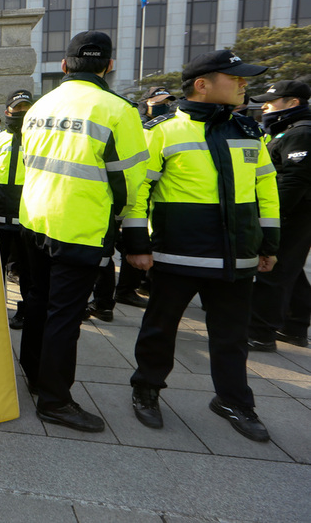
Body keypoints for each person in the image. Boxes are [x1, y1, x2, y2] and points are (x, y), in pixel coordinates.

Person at [124, 50, 278, 442]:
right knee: (160, 327)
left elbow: (266, 190)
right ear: (201, 84)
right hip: (178, 251)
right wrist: (138, 243)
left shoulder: (248, 131)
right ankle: (146, 389)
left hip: (238, 252)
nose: (244, 84)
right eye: (236, 78)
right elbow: (139, 191)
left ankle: (234, 400)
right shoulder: (163, 130)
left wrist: (269, 243)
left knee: (231, 335)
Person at [19, 30, 148, 433]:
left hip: (33, 219)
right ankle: (55, 401)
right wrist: (134, 237)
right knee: (64, 315)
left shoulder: (39, 106)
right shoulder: (118, 110)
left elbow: (27, 162)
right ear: (109, 65)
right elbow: (129, 183)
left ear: (64, 65)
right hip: (80, 226)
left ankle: (35, 375)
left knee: (38, 303)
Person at [246, 80, 311, 351]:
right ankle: (295, 326)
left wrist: (272, 218)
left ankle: (260, 333)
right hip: (294, 211)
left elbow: (293, 180)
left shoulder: (301, 133)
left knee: (274, 270)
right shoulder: (287, 130)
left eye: (271, 102)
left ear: (293, 103)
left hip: (293, 214)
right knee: (291, 270)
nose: (265, 106)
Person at [0, 90, 34, 330]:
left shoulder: (37, 138)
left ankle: (26, 310)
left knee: (26, 266)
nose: (21, 113)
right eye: (17, 109)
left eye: (26, 108)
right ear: (7, 112)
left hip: (27, 212)